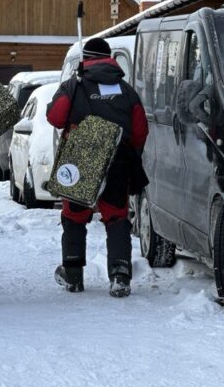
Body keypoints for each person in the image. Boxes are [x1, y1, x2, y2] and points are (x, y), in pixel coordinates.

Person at [46, 37, 148, 298]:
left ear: (85, 59)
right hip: (118, 157)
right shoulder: (125, 90)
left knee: (74, 215)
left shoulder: (74, 86)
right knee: (116, 217)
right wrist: (128, 151)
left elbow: (55, 118)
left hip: (80, 155)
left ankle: (73, 274)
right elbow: (140, 130)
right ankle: (120, 275)